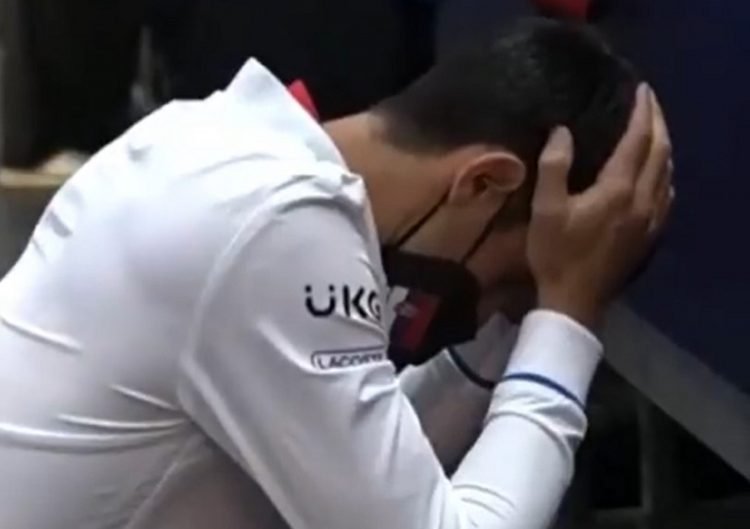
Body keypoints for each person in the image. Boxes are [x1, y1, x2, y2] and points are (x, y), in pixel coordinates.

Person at [0, 18, 672, 529]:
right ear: (482, 181)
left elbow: (358, 467)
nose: (485, 314)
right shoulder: (278, 231)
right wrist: (568, 317)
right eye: (508, 286)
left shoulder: (218, 140)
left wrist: (513, 332)